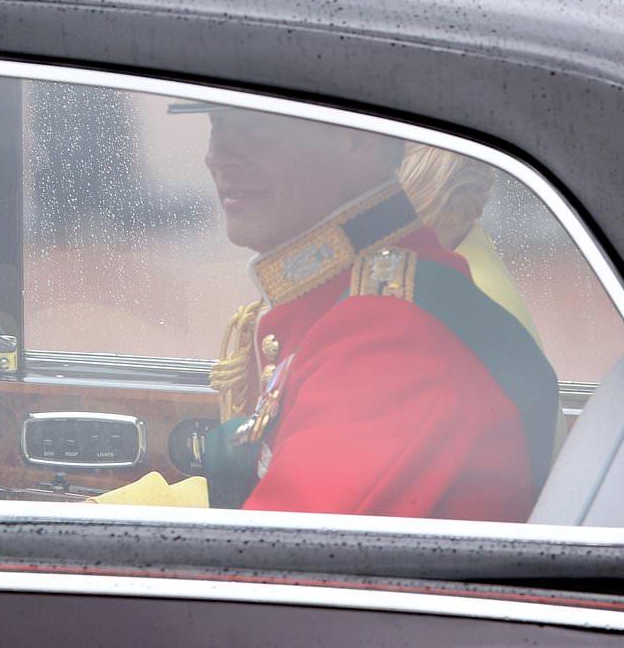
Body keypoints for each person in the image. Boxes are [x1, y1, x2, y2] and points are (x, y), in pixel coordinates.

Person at [192, 104, 558, 521]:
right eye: (215, 124)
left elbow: (264, 565)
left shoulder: (392, 341)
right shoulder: (361, 303)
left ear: (357, 134)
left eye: (253, 125)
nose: (217, 155)